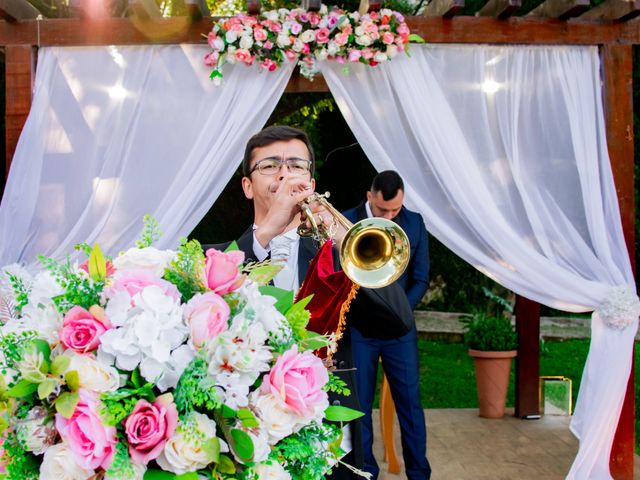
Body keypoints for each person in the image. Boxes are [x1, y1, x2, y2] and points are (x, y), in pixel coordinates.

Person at [342, 170, 431, 480]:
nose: (391, 216)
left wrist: (398, 311)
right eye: (383, 210)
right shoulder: (345, 220)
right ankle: (366, 473)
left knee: (410, 406)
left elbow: (420, 279)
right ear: (370, 196)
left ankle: (419, 474)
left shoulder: (415, 222)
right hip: (360, 331)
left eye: (396, 210)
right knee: (360, 410)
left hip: (399, 330)